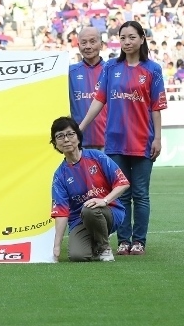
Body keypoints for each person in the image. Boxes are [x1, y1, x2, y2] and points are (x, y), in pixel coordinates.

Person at [79, 21, 167, 256]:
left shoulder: (153, 69)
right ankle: (124, 241)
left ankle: (139, 241)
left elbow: (156, 107)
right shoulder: (111, 67)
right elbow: (99, 100)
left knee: (140, 194)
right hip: (115, 142)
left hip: (143, 141)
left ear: (142, 39)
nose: (127, 42)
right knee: (122, 193)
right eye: (123, 38)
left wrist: (157, 138)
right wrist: (81, 127)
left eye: (131, 37)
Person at [50, 117, 129, 262]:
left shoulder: (97, 157)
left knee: (89, 209)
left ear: (78, 137)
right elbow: (61, 212)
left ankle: (104, 248)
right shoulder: (59, 175)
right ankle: (97, 238)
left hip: (109, 211)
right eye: (60, 136)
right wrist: (57, 246)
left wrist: (104, 200)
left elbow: (123, 183)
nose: (66, 139)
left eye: (70, 134)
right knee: (77, 256)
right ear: (55, 143)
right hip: (79, 220)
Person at [69, 27, 107, 150]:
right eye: (84, 42)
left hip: (110, 144)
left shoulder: (113, 71)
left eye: (92, 41)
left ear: (101, 45)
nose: (88, 46)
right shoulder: (68, 73)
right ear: (78, 46)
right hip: (79, 144)